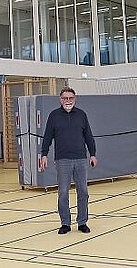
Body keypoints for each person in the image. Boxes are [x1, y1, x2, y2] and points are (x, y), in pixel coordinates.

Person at [39, 87, 97, 235]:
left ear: (75, 99)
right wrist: (44, 154)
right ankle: (65, 223)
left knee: (83, 192)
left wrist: (93, 154)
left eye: (70, 98)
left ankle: (82, 222)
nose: (68, 101)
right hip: (62, 160)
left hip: (80, 159)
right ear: (60, 100)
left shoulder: (82, 115)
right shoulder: (54, 116)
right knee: (63, 192)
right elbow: (47, 137)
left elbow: (88, 136)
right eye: (65, 98)